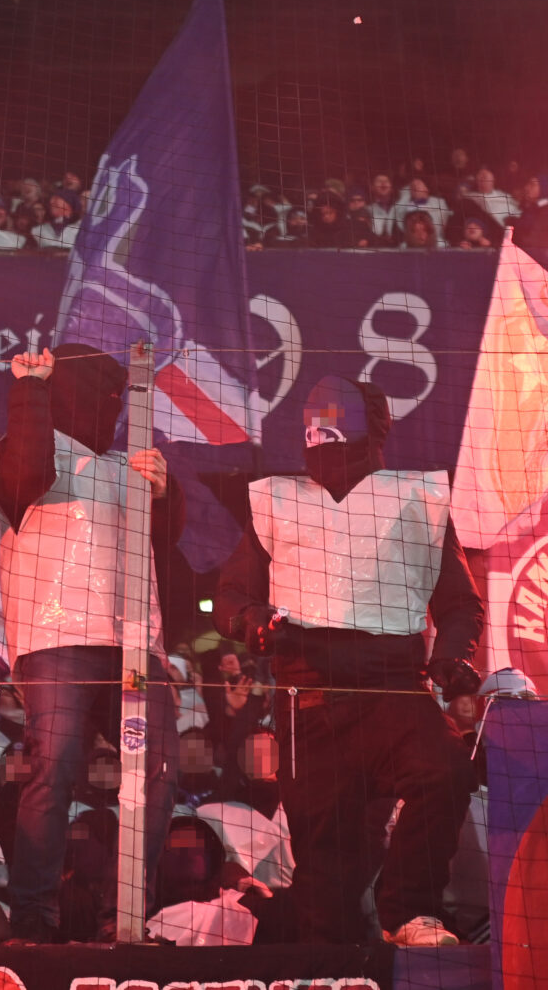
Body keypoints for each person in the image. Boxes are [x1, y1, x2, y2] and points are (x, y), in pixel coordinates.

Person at [220, 376, 485, 948]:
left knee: (446, 771)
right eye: (313, 433)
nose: (321, 444)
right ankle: (331, 965)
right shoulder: (277, 499)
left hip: (396, 689)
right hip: (309, 700)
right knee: (327, 869)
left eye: (334, 433)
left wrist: (451, 657)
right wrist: (252, 620)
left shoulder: (416, 498)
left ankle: (410, 912)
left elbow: (461, 603)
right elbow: (231, 596)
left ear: (369, 433)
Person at [0, 345, 183, 944]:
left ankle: (123, 915)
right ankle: (33, 916)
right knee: (55, 768)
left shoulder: (135, 463)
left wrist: (166, 496)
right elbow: (23, 475)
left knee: (157, 768)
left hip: (135, 644)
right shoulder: (30, 450)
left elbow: (166, 546)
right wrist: (31, 392)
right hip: (56, 638)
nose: (110, 402)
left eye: (116, 392)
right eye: (96, 388)